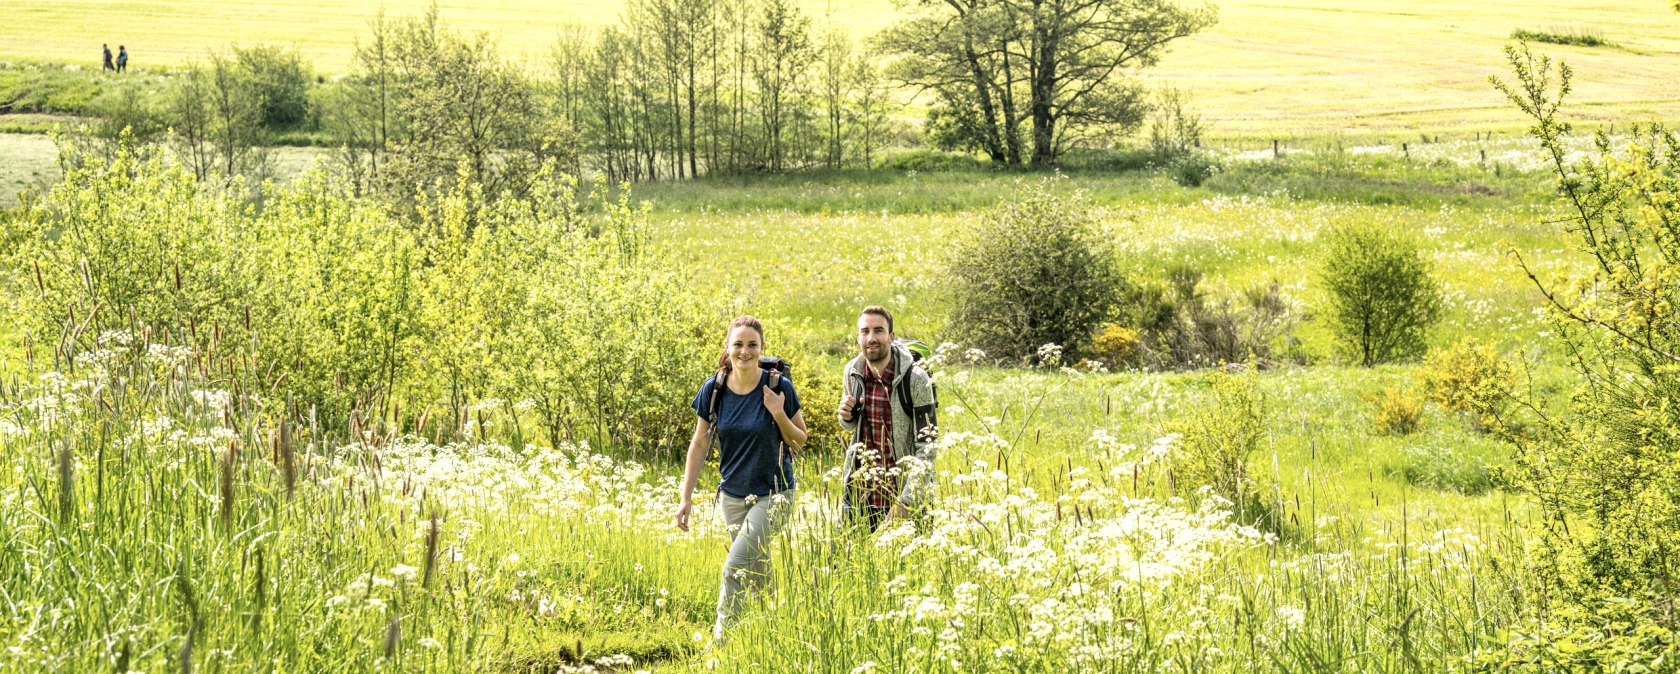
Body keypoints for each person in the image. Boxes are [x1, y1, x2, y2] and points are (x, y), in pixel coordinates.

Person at [674, 315, 807, 640]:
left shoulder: (779, 387)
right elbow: (700, 443)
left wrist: (777, 412)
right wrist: (686, 497)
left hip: (774, 494)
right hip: (732, 497)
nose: (744, 351)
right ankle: (776, 634)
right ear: (728, 347)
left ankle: (722, 644)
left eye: (752, 345)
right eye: (738, 344)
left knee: (734, 568)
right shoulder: (715, 388)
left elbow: (800, 439)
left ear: (761, 349)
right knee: (756, 570)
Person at [837, 306, 937, 530]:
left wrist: (906, 502)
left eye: (878, 331)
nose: (871, 338)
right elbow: (853, 425)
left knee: (911, 564)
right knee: (840, 562)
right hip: (862, 495)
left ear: (891, 337)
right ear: (858, 337)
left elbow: (928, 446)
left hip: (906, 495)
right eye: (865, 331)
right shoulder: (852, 371)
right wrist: (846, 416)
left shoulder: (916, 379)